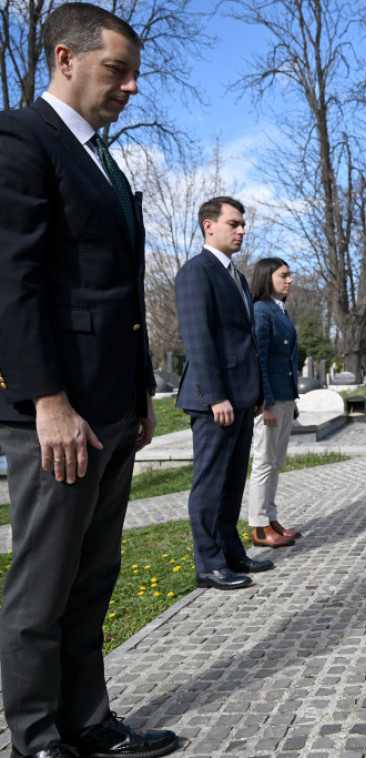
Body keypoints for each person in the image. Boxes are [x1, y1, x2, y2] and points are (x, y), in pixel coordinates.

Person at [0, 4, 179, 757]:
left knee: (93, 579)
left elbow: (118, 293)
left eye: (134, 74)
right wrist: (47, 400)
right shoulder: (22, 140)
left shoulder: (102, 159)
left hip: (108, 408)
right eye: (117, 70)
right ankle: (37, 738)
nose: (131, 87)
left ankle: (87, 722)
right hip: (58, 412)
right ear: (66, 60)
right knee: (42, 590)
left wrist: (139, 394)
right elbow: (13, 282)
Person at [175, 197, 272, 590]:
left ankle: (232, 553)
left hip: (241, 397)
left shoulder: (238, 277)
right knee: (211, 483)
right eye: (233, 223)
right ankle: (208, 564)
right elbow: (198, 341)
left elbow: (245, 340)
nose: (242, 230)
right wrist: (216, 396)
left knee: (233, 482)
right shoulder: (196, 273)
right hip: (215, 401)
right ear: (208, 226)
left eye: (242, 224)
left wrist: (258, 392)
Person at [248, 257, 303, 547]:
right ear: (267, 278)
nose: (289, 280)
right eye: (283, 275)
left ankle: (270, 518)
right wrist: (266, 402)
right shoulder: (261, 311)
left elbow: (288, 361)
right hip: (269, 403)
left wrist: (291, 398)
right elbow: (261, 361)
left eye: (289, 275)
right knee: (264, 462)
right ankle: (258, 526)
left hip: (283, 398)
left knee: (276, 462)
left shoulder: (281, 310)